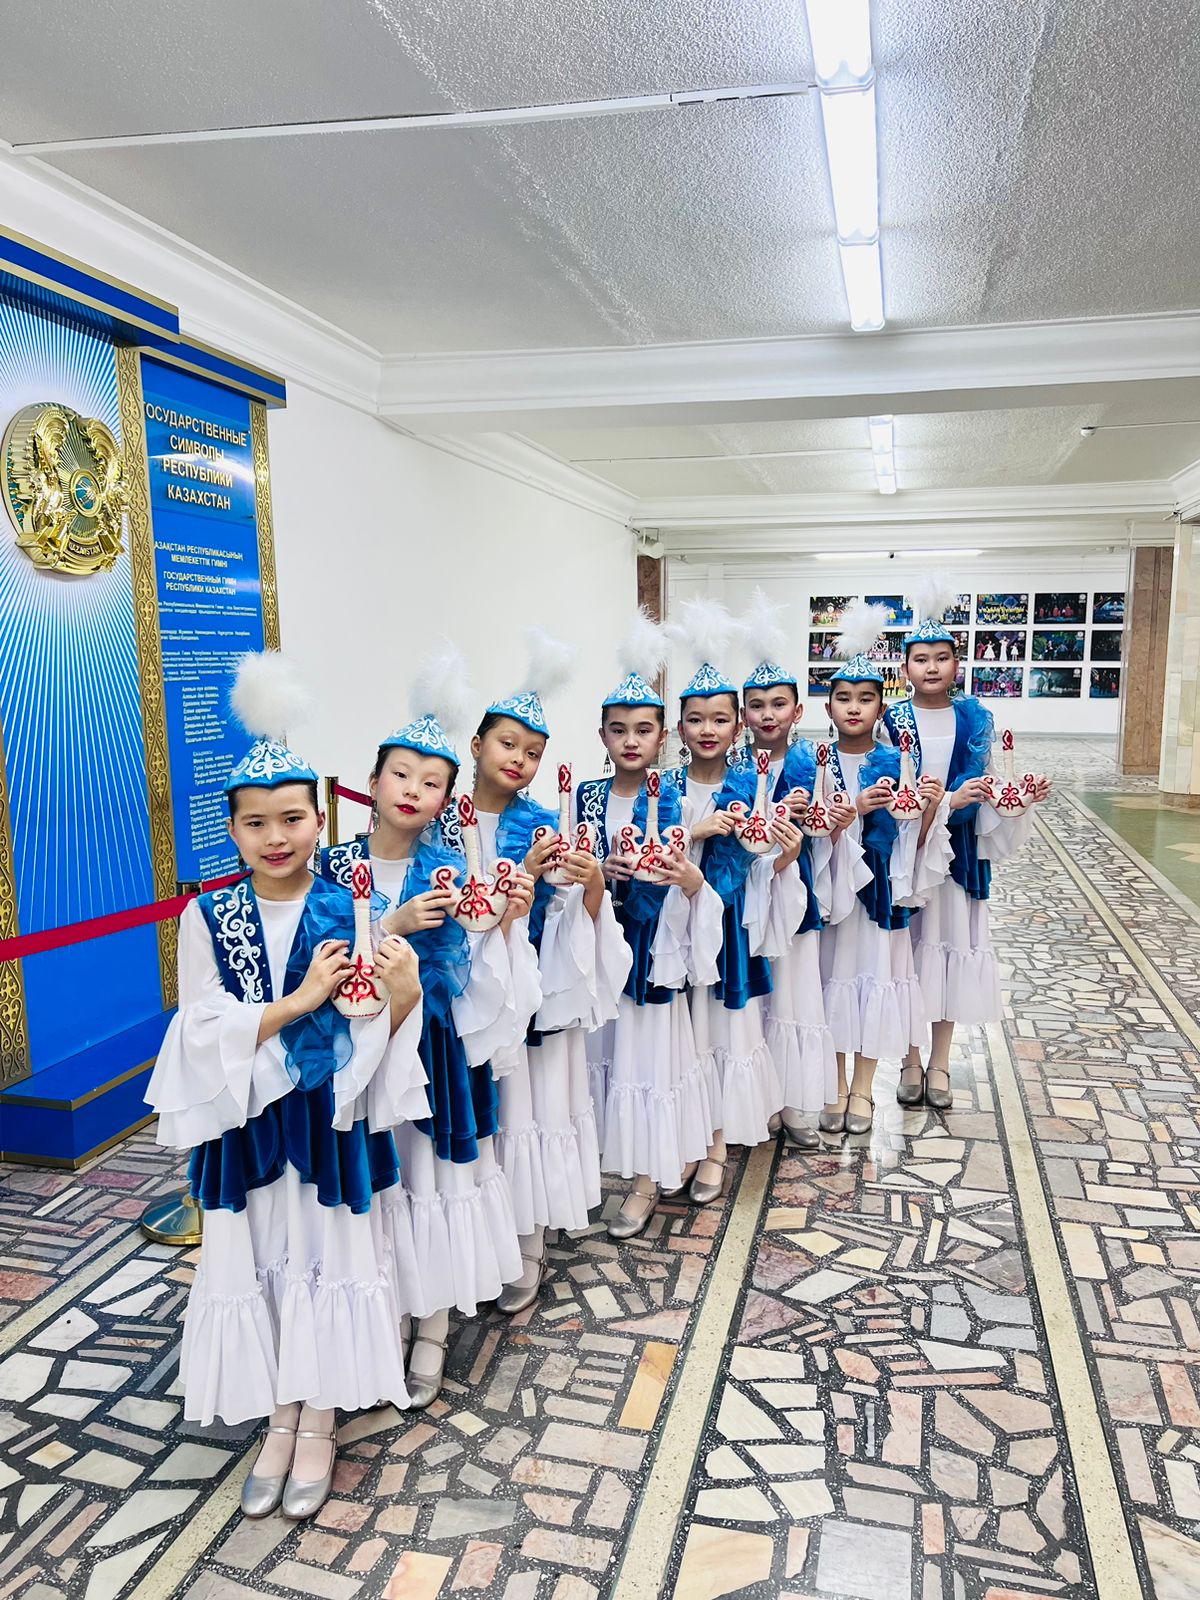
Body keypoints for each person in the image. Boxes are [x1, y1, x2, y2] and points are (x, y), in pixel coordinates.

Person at [146, 652, 426, 1521]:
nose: (277, 837)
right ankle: (279, 1413)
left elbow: (373, 1021)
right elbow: (197, 1031)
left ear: (320, 818)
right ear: (232, 829)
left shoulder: (350, 905)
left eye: (294, 819)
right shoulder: (206, 914)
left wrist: (402, 995)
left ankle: (319, 1416)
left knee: (325, 1256)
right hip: (248, 1123)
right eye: (256, 822)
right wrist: (298, 1002)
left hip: (328, 1119)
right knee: (265, 1260)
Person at [321, 644, 537, 1407]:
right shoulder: (331, 867)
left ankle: (434, 1330)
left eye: (431, 781)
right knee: (380, 1191)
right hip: (358, 1057)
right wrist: (390, 923)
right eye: (400, 775)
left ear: (448, 795)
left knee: (433, 1183)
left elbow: (475, 966)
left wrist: (503, 917)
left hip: (434, 1052)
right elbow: (321, 963)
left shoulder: (450, 872)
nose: (413, 790)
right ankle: (381, 1319)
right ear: (373, 781)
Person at [465, 631, 630, 1313]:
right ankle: (481, 1243)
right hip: (470, 1001)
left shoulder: (545, 828)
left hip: (533, 1004)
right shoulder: (443, 822)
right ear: (476, 745)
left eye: (533, 752)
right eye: (507, 744)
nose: (519, 759)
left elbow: (575, 922)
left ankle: (529, 1243)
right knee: (484, 1129)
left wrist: (586, 884)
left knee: (528, 1118)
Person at [579, 611, 724, 1239]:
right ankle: (605, 1167)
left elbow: (693, 877)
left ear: (664, 736)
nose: (631, 742)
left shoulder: (678, 799)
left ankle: (646, 1179)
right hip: (598, 945)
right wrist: (597, 870)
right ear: (603, 735)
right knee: (606, 1059)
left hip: (654, 947)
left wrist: (679, 872)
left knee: (647, 1061)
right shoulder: (585, 796)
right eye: (619, 730)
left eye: (643, 730)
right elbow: (575, 862)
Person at [884, 606, 1051, 1110]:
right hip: (910, 852)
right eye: (920, 659)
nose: (931, 667)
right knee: (907, 957)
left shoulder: (973, 718)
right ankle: (909, 1058)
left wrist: (1014, 797)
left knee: (949, 952)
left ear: (957, 664)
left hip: (958, 857)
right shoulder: (893, 720)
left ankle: (939, 1061)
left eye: (941, 658)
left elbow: (989, 780)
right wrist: (936, 804)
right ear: (905, 667)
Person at [662, 597, 796, 1196]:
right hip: (672, 931)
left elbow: (764, 862)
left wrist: (783, 851)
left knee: (721, 1029)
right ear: (680, 729)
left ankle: (716, 1145)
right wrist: (693, 831)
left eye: (720, 719)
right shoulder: (665, 787)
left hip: (728, 925)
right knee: (682, 1037)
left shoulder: (751, 784)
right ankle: (685, 1140)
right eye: (696, 719)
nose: (708, 730)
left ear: (737, 727)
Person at [815, 649, 935, 1137]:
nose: (854, 708)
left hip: (879, 891)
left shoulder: (895, 761)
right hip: (831, 890)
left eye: (866, 699)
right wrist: (853, 807)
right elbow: (809, 825)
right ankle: (836, 1082)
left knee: (873, 977)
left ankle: (864, 1086)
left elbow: (913, 836)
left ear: (881, 708)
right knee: (832, 981)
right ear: (827, 707)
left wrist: (929, 808)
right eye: (843, 698)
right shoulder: (814, 760)